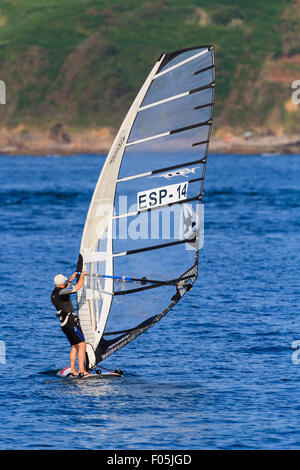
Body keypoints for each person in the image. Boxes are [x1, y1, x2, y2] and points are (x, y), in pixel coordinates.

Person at [51, 271, 91, 376]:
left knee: (74, 346)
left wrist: (70, 279)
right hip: (71, 322)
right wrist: (82, 276)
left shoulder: (54, 293)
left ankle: (73, 370)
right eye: (64, 281)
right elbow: (78, 287)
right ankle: (82, 371)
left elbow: (66, 290)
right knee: (82, 344)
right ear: (62, 283)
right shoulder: (62, 292)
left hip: (63, 323)